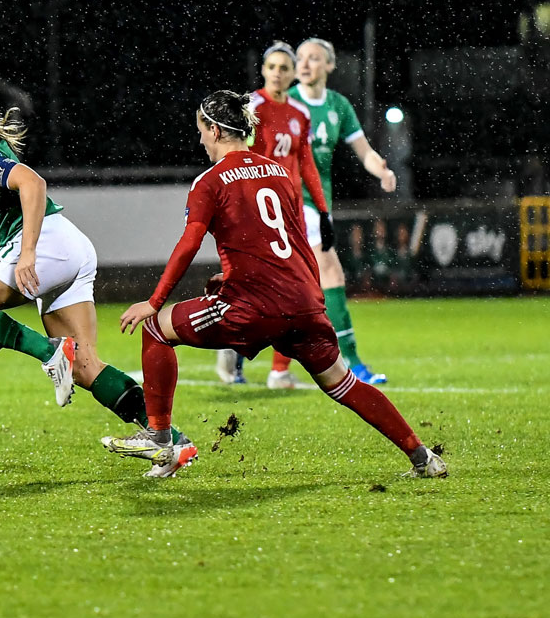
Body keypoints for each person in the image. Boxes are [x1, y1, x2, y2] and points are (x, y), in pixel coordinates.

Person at [102, 90, 446, 479]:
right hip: (302, 302)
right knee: (342, 383)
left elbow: (190, 243)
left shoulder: (208, 181)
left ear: (214, 130)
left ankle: (161, 440)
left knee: (156, 329)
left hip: (254, 306)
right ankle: (423, 458)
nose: (200, 139)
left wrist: (154, 299)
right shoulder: (280, 173)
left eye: (201, 131)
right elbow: (292, 242)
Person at [0, 81, 197, 476]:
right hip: (71, 247)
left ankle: (49, 352)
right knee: (86, 368)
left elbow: (32, 183)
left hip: (44, 244)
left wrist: (29, 254)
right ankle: (170, 440)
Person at [214, 41, 334, 389]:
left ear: (294, 72)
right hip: (255, 210)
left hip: (291, 213)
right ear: (264, 71)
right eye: (273, 67)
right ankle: (229, 343)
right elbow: (234, 154)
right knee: (249, 285)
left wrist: (323, 212)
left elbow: (306, 163)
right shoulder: (249, 107)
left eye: (285, 68)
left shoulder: (299, 113)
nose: (278, 74)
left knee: (301, 288)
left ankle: (279, 370)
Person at [288, 37, 394, 383]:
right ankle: (350, 362)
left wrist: (382, 171)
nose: (304, 64)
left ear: (330, 66)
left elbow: (363, 150)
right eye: (300, 58)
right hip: (288, 202)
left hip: (319, 205)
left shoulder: (337, 105)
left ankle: (237, 355)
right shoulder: (286, 103)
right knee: (330, 275)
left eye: (314, 58)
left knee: (290, 285)